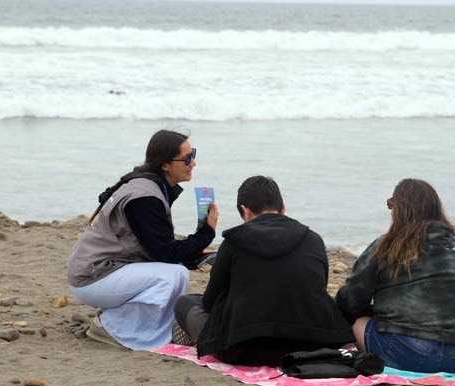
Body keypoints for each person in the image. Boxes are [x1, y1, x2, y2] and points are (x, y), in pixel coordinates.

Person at [173, 176, 354, 366]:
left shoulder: (234, 241)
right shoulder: (313, 239)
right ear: (282, 207)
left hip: (242, 351)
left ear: (246, 212)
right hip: (308, 347)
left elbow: (210, 303)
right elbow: (316, 290)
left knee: (185, 303)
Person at [67, 130, 218, 350]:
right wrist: (207, 232)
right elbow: (166, 254)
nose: (193, 162)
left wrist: (195, 252)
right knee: (174, 275)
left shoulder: (150, 186)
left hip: (102, 269)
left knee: (174, 271)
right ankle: (111, 326)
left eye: (193, 154)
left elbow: (157, 246)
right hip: (93, 276)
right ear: (166, 164)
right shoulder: (145, 198)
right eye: (187, 158)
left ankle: (138, 325)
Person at [336, 179, 455, 373]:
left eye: (391, 205)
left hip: (412, 354)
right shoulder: (453, 246)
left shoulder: (386, 245)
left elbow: (351, 299)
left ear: (399, 209)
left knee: (357, 320)